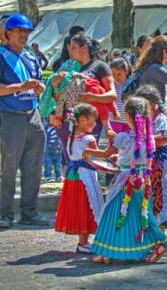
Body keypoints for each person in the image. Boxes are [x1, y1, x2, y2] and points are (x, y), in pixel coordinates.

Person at [84, 96, 167, 263]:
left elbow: (105, 154)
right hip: (142, 181)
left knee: (112, 215)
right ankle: (112, 252)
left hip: (125, 182)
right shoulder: (150, 139)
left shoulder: (123, 137)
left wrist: (87, 152)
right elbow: (137, 155)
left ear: (128, 115)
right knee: (140, 217)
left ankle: (108, 252)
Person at [0, 13, 48, 229]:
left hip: (33, 115)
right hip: (9, 118)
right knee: (8, 168)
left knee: (34, 167)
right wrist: (20, 87)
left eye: (27, 31)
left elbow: (40, 84)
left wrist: (39, 88)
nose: (23, 35)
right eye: (19, 31)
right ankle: (4, 214)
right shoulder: (1, 56)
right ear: (7, 33)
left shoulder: (31, 57)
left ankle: (30, 212)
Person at [55, 104, 104, 254]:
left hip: (72, 177)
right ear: (82, 120)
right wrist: (114, 152)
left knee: (79, 208)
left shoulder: (67, 136)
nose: (95, 124)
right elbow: (98, 157)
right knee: (88, 207)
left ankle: (83, 242)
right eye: (93, 120)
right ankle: (84, 243)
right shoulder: (89, 138)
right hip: (86, 177)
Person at [135, 85, 167, 229]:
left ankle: (161, 233)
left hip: (159, 164)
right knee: (149, 196)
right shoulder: (145, 118)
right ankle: (151, 232)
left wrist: (144, 137)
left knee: (160, 196)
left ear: (153, 105)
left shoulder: (162, 118)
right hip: (148, 164)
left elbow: (163, 138)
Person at [109, 58, 131, 134]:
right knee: (115, 144)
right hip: (114, 120)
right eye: (113, 75)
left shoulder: (132, 84)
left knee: (129, 144)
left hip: (129, 121)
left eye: (119, 74)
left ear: (126, 71)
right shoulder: (112, 85)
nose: (116, 77)